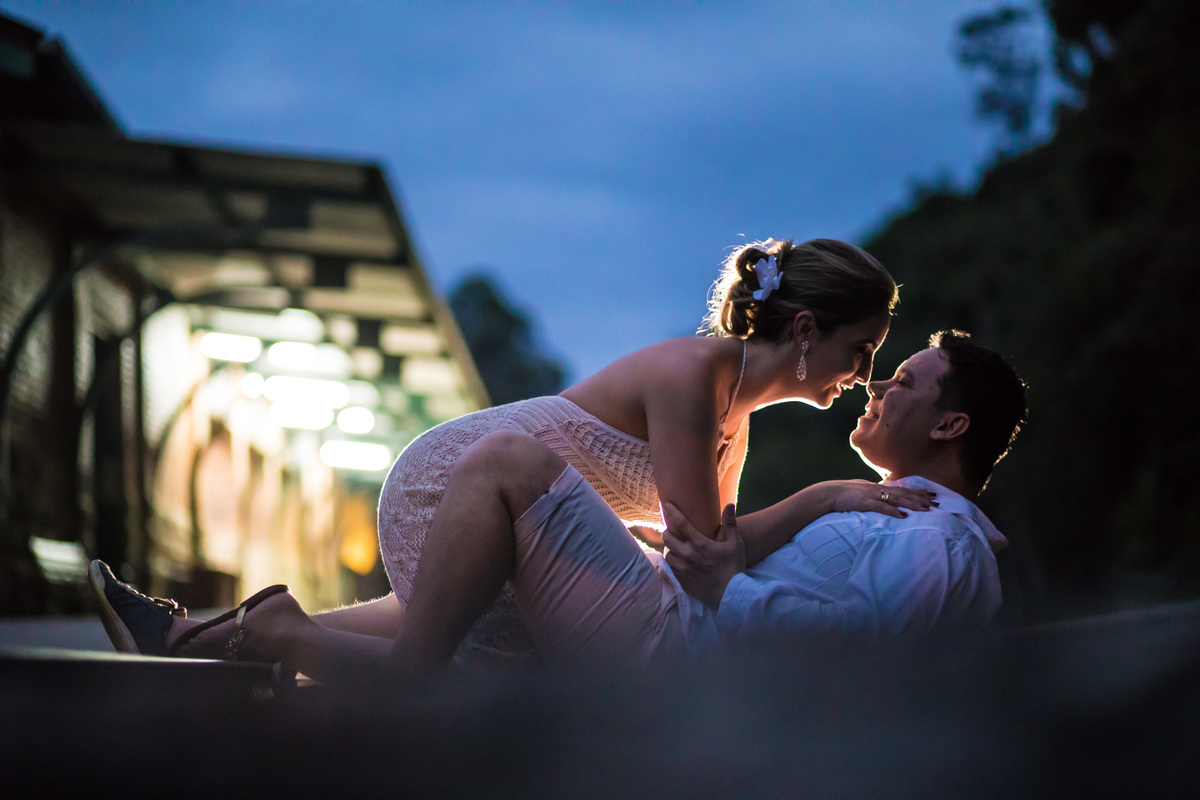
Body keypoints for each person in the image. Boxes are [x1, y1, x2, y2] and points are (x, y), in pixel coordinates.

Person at [94, 237, 937, 668]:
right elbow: (706, 553)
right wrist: (825, 497)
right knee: (451, 676)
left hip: (503, 514)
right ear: (802, 330)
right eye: (860, 351)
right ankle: (272, 634)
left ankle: (192, 638)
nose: (863, 378)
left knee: (435, 640)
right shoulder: (694, 377)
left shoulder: (734, 420)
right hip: (454, 483)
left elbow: (705, 560)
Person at [92, 331, 1024, 685]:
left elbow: (859, 654)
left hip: (681, 650)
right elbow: (724, 551)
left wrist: (717, 582)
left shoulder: (940, 541)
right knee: (459, 591)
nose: (872, 387)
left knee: (506, 468)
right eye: (869, 362)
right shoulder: (883, 506)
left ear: (951, 422)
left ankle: (278, 638)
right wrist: (713, 557)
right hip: (679, 616)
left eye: (896, 378)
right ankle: (201, 644)